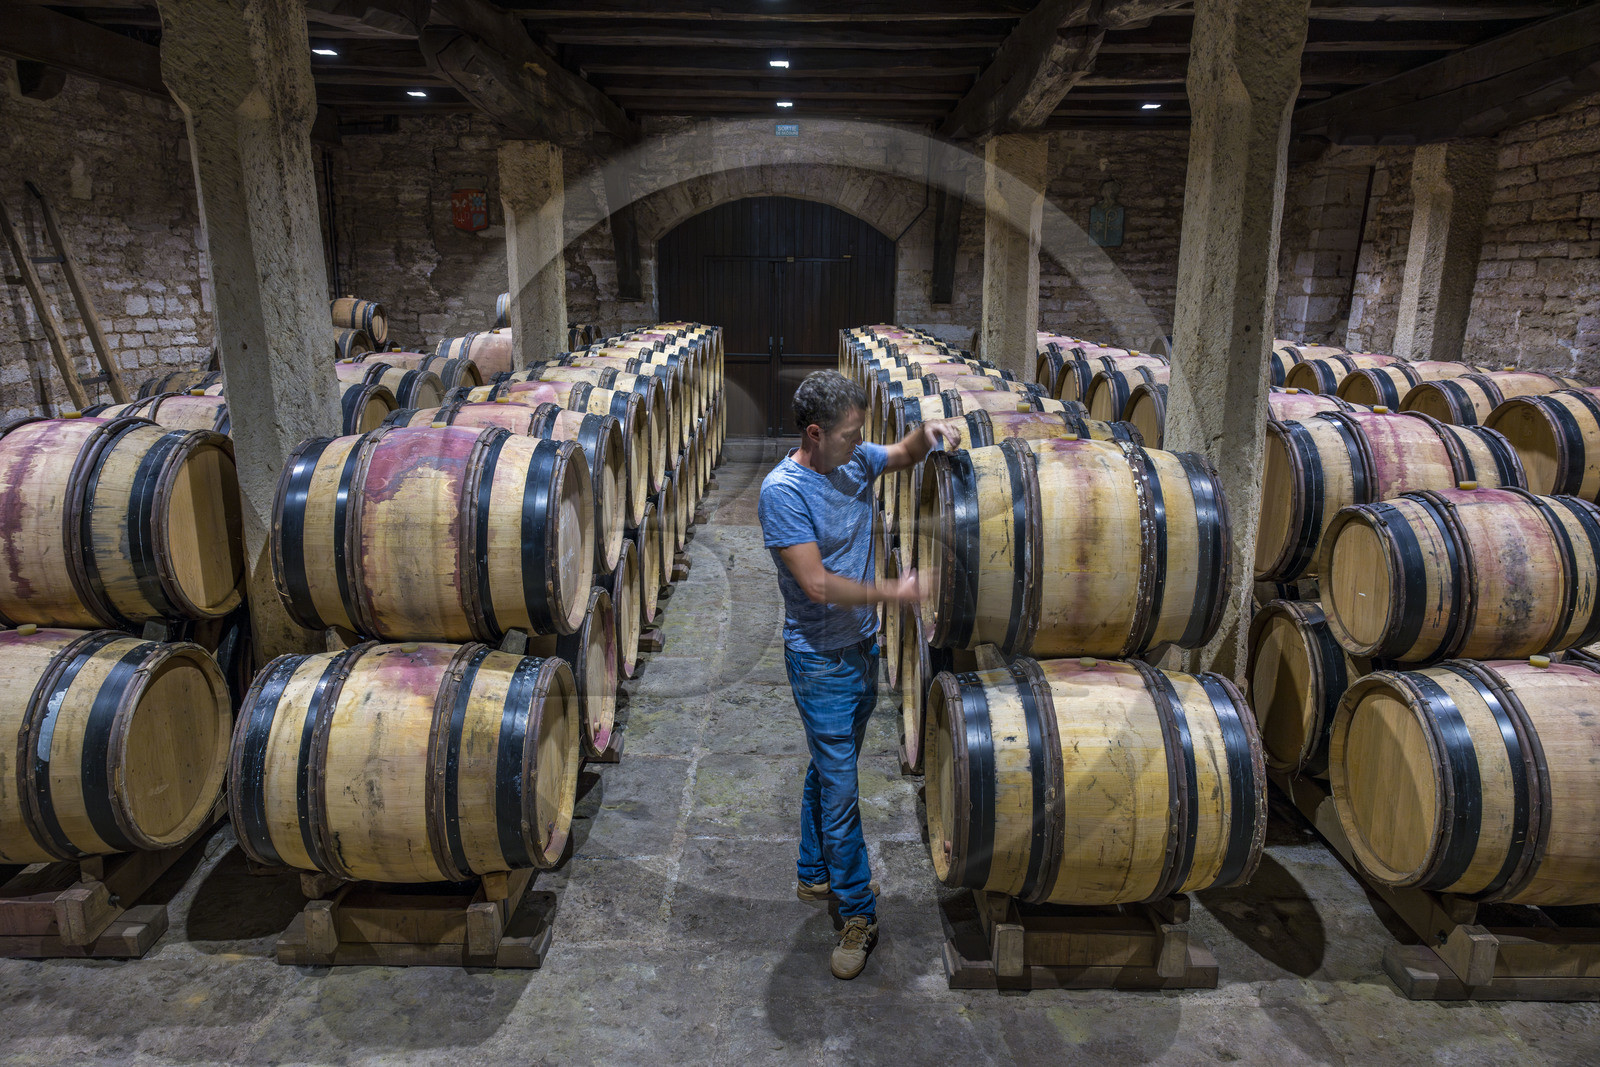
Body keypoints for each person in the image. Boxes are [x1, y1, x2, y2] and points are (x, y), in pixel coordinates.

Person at [757, 370, 956, 980]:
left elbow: (901, 453)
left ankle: (813, 869)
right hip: (818, 661)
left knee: (830, 767)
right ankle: (859, 916)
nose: (858, 442)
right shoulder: (782, 492)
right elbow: (816, 585)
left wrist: (930, 433)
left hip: (863, 651)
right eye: (848, 435)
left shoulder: (854, 459)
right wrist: (891, 590)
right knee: (843, 792)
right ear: (814, 434)